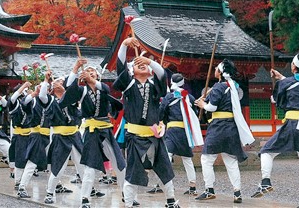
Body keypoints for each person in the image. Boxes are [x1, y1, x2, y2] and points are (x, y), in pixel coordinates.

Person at [251, 52, 299, 208]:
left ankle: (265, 181)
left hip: (292, 124)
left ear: (293, 66)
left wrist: (279, 83)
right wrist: (281, 78)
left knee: (267, 151)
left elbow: (276, 100)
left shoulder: (287, 83)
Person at [113, 36, 179, 208]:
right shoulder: (128, 85)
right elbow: (120, 68)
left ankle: (171, 201)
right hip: (134, 136)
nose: (141, 65)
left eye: (143, 64)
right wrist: (123, 45)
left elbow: (162, 73)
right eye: (136, 64)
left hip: (154, 136)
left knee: (165, 169)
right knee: (133, 171)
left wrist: (149, 62)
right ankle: (128, 203)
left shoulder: (154, 87)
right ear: (131, 71)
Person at [67, 59, 127, 208]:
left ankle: (127, 194)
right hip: (91, 131)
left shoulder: (103, 88)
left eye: (93, 71)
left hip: (106, 129)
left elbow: (106, 89)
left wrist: (91, 80)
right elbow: (69, 87)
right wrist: (75, 68)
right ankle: (85, 199)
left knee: (119, 163)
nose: (90, 72)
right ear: (83, 76)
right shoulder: (82, 91)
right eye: (87, 71)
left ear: (97, 75)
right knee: (90, 167)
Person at [194, 58, 255, 204]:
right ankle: (237, 192)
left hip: (218, 127)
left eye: (216, 68)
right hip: (231, 127)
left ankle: (209, 190)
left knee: (206, 159)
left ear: (220, 72)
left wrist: (203, 104)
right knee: (230, 161)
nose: (214, 70)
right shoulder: (232, 86)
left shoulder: (218, 87)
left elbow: (213, 107)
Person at [42, 74, 84, 204]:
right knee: (58, 167)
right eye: (56, 82)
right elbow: (42, 96)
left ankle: (87, 193)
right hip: (60, 137)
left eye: (61, 81)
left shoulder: (72, 99)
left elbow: (72, 89)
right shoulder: (50, 101)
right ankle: (49, 193)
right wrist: (45, 81)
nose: (58, 83)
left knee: (83, 166)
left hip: (75, 135)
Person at [159, 73, 203, 196]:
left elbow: (161, 112)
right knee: (187, 159)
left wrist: (162, 119)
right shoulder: (190, 98)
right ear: (183, 83)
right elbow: (194, 112)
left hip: (172, 130)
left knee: (166, 156)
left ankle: (164, 184)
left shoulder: (169, 97)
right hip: (185, 132)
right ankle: (193, 186)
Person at [17, 82, 51, 198]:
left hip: (49, 135)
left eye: (45, 88)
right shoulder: (33, 101)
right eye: (40, 87)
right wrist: (34, 94)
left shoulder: (50, 101)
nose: (43, 89)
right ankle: (22, 187)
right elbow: (23, 102)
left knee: (52, 161)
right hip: (37, 135)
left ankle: (56, 186)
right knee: (32, 162)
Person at [8, 81, 33, 190]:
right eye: (23, 92)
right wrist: (24, 86)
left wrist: (33, 94)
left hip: (32, 134)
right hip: (20, 135)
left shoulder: (29, 103)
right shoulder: (14, 103)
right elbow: (13, 98)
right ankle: (18, 182)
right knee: (20, 158)